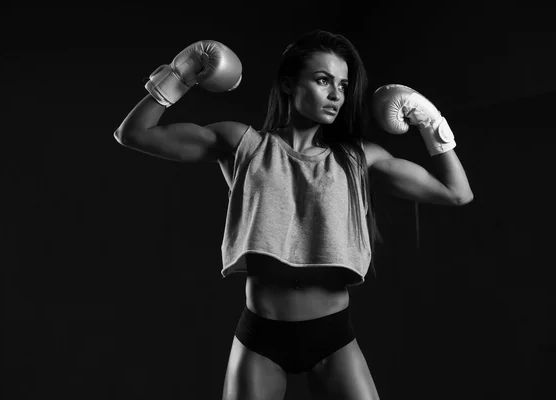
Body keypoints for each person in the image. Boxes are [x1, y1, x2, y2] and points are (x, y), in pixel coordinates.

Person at [114, 30, 473, 400]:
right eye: (323, 80)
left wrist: (431, 123)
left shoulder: (358, 158)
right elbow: (134, 134)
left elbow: (457, 193)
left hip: (332, 337)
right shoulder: (244, 145)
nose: (336, 94)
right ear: (289, 84)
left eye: (343, 85)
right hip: (261, 336)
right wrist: (181, 72)